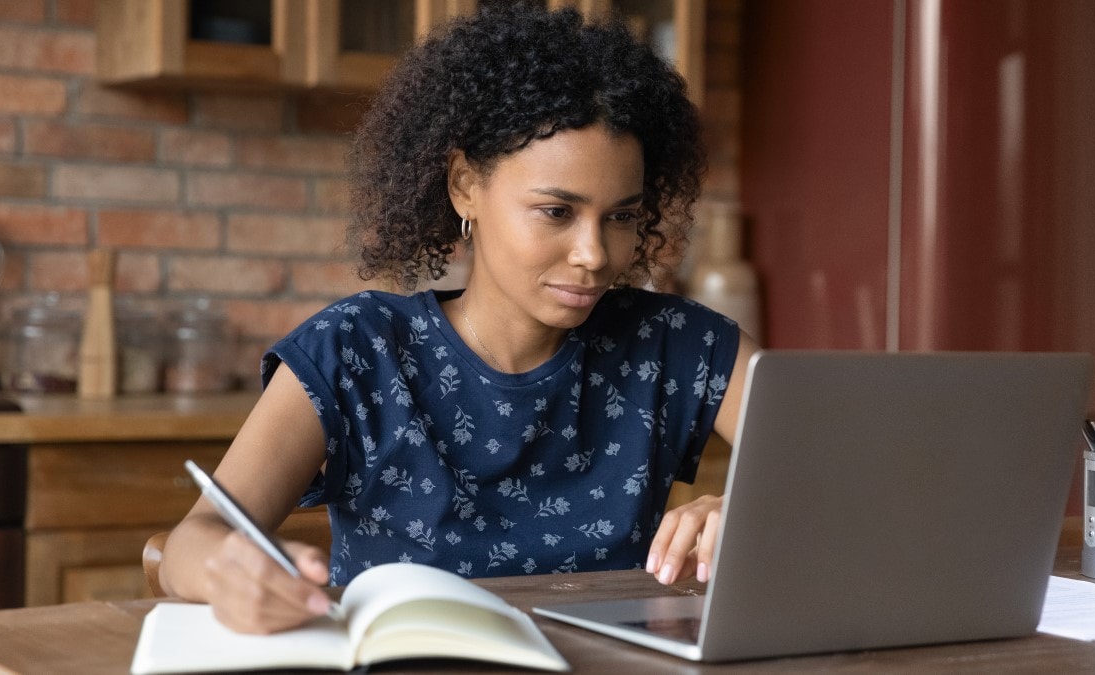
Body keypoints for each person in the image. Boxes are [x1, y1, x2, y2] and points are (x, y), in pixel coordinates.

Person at [158, 3, 760, 634]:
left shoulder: (676, 346)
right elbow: (192, 540)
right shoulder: (357, 351)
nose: (595, 255)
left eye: (621, 217)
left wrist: (756, 508)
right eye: (557, 211)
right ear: (465, 185)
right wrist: (227, 568)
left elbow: (855, 475)